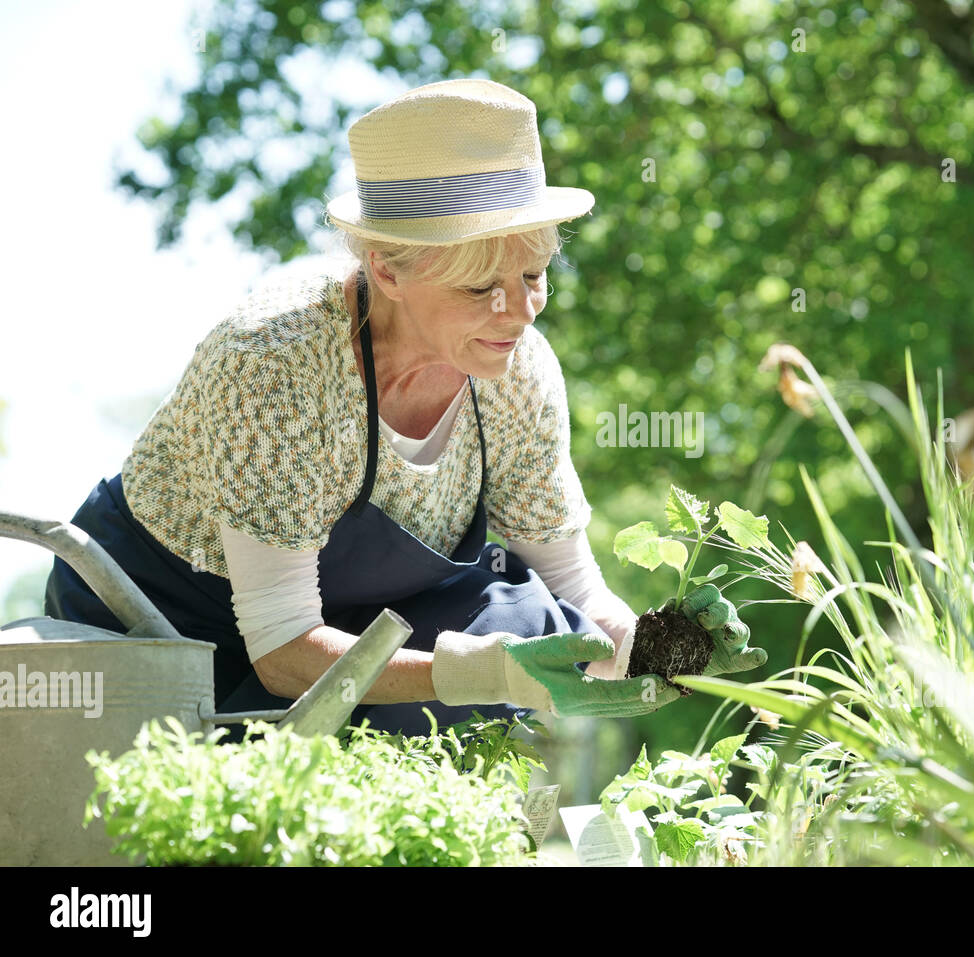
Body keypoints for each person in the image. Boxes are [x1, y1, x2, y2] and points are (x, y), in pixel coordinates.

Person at [44, 78, 765, 733]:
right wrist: (475, 672)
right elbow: (282, 648)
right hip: (163, 622)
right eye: (482, 287)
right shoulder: (276, 361)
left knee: (526, 614)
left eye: (535, 274)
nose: (520, 312)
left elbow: (573, 592)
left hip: (348, 630)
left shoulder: (518, 380)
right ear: (387, 268)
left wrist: (656, 649)